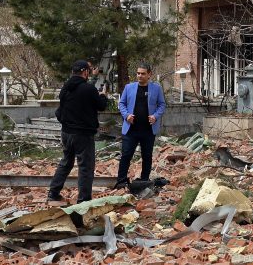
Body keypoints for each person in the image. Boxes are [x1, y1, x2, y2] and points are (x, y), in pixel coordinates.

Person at [47, 60, 108, 203]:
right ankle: (83, 201)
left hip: (67, 133)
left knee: (66, 162)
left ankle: (53, 193)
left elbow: (83, 89)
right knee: (86, 167)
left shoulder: (66, 88)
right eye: (89, 71)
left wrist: (93, 79)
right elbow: (101, 106)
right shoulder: (89, 90)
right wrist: (104, 95)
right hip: (83, 135)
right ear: (85, 72)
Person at [115, 64, 165, 188]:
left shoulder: (156, 88)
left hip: (148, 130)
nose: (140, 76)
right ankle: (121, 181)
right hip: (131, 129)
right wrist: (126, 115)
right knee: (126, 155)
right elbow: (121, 104)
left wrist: (155, 116)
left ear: (149, 74)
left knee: (147, 156)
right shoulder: (129, 87)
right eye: (138, 73)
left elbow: (162, 105)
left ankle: (144, 180)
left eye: (143, 73)